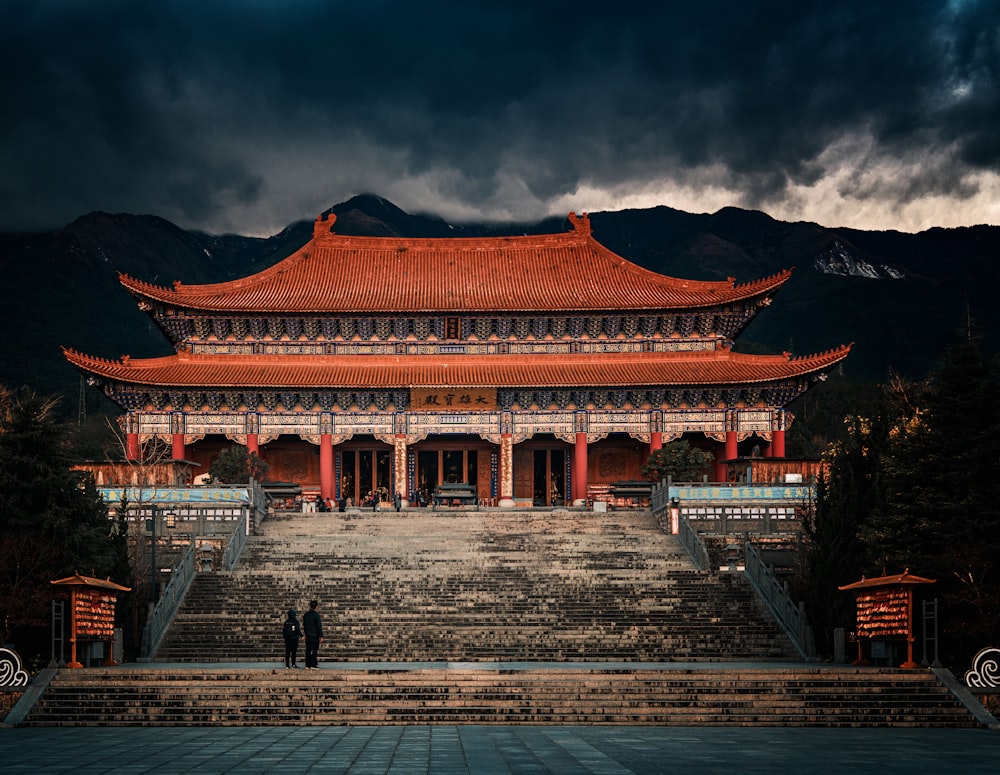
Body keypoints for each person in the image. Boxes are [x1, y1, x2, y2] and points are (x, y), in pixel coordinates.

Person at [303, 599, 323, 669]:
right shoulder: (316, 615)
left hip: (308, 635)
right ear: (316, 607)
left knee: (308, 650)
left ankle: (307, 664)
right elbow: (318, 626)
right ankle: (313, 664)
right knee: (314, 650)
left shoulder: (306, 614)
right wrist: (321, 635)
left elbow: (304, 625)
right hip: (315, 635)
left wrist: (305, 634)